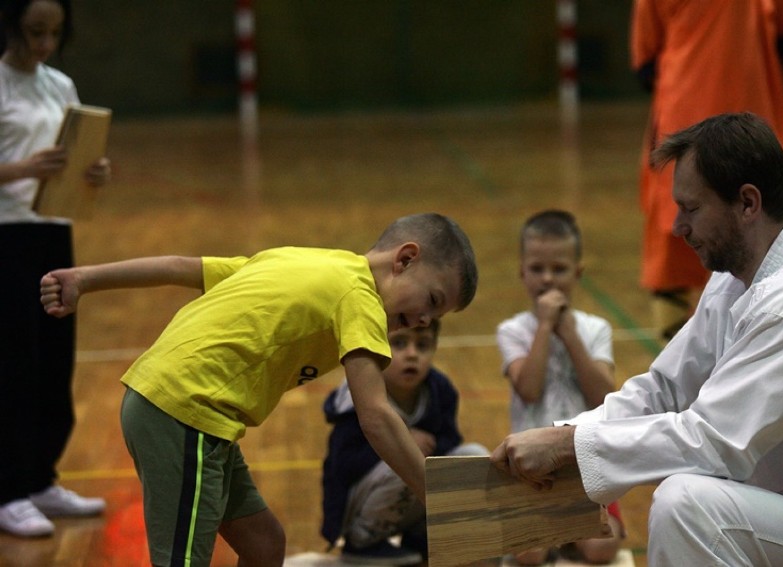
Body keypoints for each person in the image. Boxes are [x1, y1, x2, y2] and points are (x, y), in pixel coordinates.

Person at [490, 113, 783, 566]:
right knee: (692, 498)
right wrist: (564, 437)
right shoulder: (739, 277)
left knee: (688, 506)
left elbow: (714, 442)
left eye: (692, 208)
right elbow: (662, 390)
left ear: (747, 203)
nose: (678, 226)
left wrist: (567, 449)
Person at [39, 212, 478, 567]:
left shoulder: (306, 260)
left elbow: (180, 266)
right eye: (433, 302)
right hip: (184, 412)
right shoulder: (359, 299)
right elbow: (376, 417)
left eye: (435, 319)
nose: (424, 321)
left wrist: (86, 278)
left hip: (185, 413)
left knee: (264, 546)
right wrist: (436, 494)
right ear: (404, 259)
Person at [631, 0, 783, 340]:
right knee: (766, 250)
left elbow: (647, 64)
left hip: (686, 122)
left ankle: (688, 381)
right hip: (749, 126)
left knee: (675, 263)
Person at [0, 0, 111, 538]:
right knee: (14, 361)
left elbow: (70, 155)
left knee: (52, 356)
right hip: (5, 234)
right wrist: (21, 168)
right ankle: (8, 488)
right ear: (11, 26)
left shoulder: (59, 84)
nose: (44, 44)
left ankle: (41, 477)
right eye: (34, 32)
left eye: (54, 33)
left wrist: (92, 171)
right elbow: (23, 161)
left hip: (51, 228)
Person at [496, 210, 623, 565]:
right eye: (537, 269)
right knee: (529, 556)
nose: (548, 279)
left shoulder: (595, 328)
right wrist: (545, 326)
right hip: (530, 470)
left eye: (559, 269)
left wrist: (568, 334)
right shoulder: (513, 330)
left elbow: (603, 395)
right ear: (522, 272)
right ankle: (554, 532)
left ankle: (567, 531)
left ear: (577, 272)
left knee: (602, 549)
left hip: (585, 465)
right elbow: (529, 389)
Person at [321, 319, 489, 566]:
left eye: (422, 345)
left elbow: (450, 440)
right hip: (358, 504)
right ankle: (363, 542)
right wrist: (399, 439)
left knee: (473, 456)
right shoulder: (356, 396)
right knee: (402, 456)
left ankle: (422, 533)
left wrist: (424, 446)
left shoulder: (439, 388)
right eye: (399, 343)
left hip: (407, 495)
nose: (412, 354)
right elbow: (343, 466)